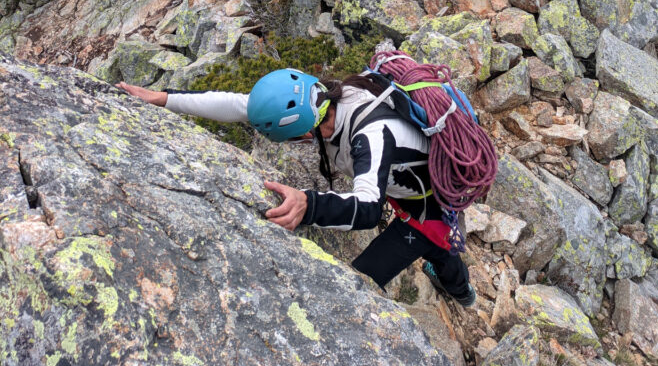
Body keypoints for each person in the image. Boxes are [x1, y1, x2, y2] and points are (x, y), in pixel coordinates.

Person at [117, 67, 476, 306]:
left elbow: (368, 209)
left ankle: (462, 293)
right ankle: (443, 268)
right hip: (404, 187)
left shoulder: (371, 135)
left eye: (291, 139)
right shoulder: (320, 98)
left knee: (381, 273)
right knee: (426, 250)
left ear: (306, 131)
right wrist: (164, 99)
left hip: (431, 204)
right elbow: (240, 105)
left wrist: (309, 204)